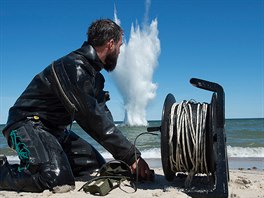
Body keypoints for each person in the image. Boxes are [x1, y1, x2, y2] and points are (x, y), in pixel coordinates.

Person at [0, 19, 152, 193]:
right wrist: (131, 156)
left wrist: (128, 159)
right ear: (110, 44)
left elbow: (103, 116)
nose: (120, 51)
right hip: (25, 124)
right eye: (119, 46)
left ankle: (38, 162)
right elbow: (91, 118)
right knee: (55, 178)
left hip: (55, 131)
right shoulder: (74, 67)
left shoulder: (94, 76)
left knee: (95, 166)